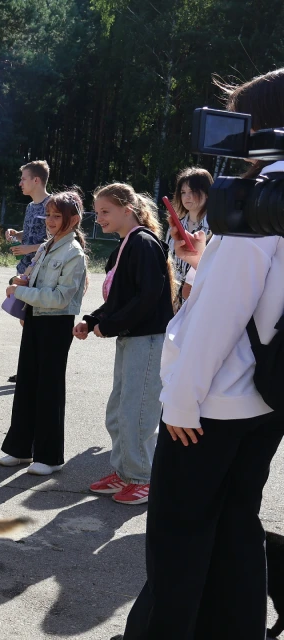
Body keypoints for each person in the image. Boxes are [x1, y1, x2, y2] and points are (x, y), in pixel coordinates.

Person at [119, 67, 284, 640]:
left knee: (178, 540)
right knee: (237, 530)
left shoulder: (263, 199)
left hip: (214, 405)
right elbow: (266, 294)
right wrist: (202, 260)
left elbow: (218, 317)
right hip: (268, 397)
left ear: (261, 125)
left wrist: (181, 403)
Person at [73, 183, 175, 505]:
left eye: (106, 211)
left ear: (126, 210)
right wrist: (92, 321)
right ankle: (124, 473)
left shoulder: (143, 243)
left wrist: (111, 326)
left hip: (147, 341)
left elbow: (148, 297)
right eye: (97, 211)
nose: (98, 217)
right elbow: (121, 298)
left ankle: (142, 478)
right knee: (119, 410)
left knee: (138, 413)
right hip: (133, 340)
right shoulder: (125, 245)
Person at [0, 191, 88, 476]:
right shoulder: (48, 245)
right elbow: (39, 281)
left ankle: (49, 457)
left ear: (73, 220)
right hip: (36, 320)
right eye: (48, 215)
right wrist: (23, 280)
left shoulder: (74, 253)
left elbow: (61, 297)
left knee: (48, 388)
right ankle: (20, 449)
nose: (50, 220)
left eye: (56, 216)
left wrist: (22, 291)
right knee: (26, 382)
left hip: (56, 324)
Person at [5, 160, 51, 382]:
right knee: (24, 319)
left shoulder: (54, 205)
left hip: (43, 272)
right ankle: (28, 368)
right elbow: (31, 233)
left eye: (24, 178)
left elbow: (56, 240)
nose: (20, 183)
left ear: (36, 180)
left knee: (35, 322)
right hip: (26, 271)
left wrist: (29, 248)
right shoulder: (30, 206)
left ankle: (34, 370)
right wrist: (17, 234)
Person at [166, 167, 213, 306]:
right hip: (173, 299)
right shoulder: (174, 227)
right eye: (183, 192)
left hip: (201, 299)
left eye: (193, 191)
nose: (187, 197)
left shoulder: (217, 229)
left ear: (207, 193)